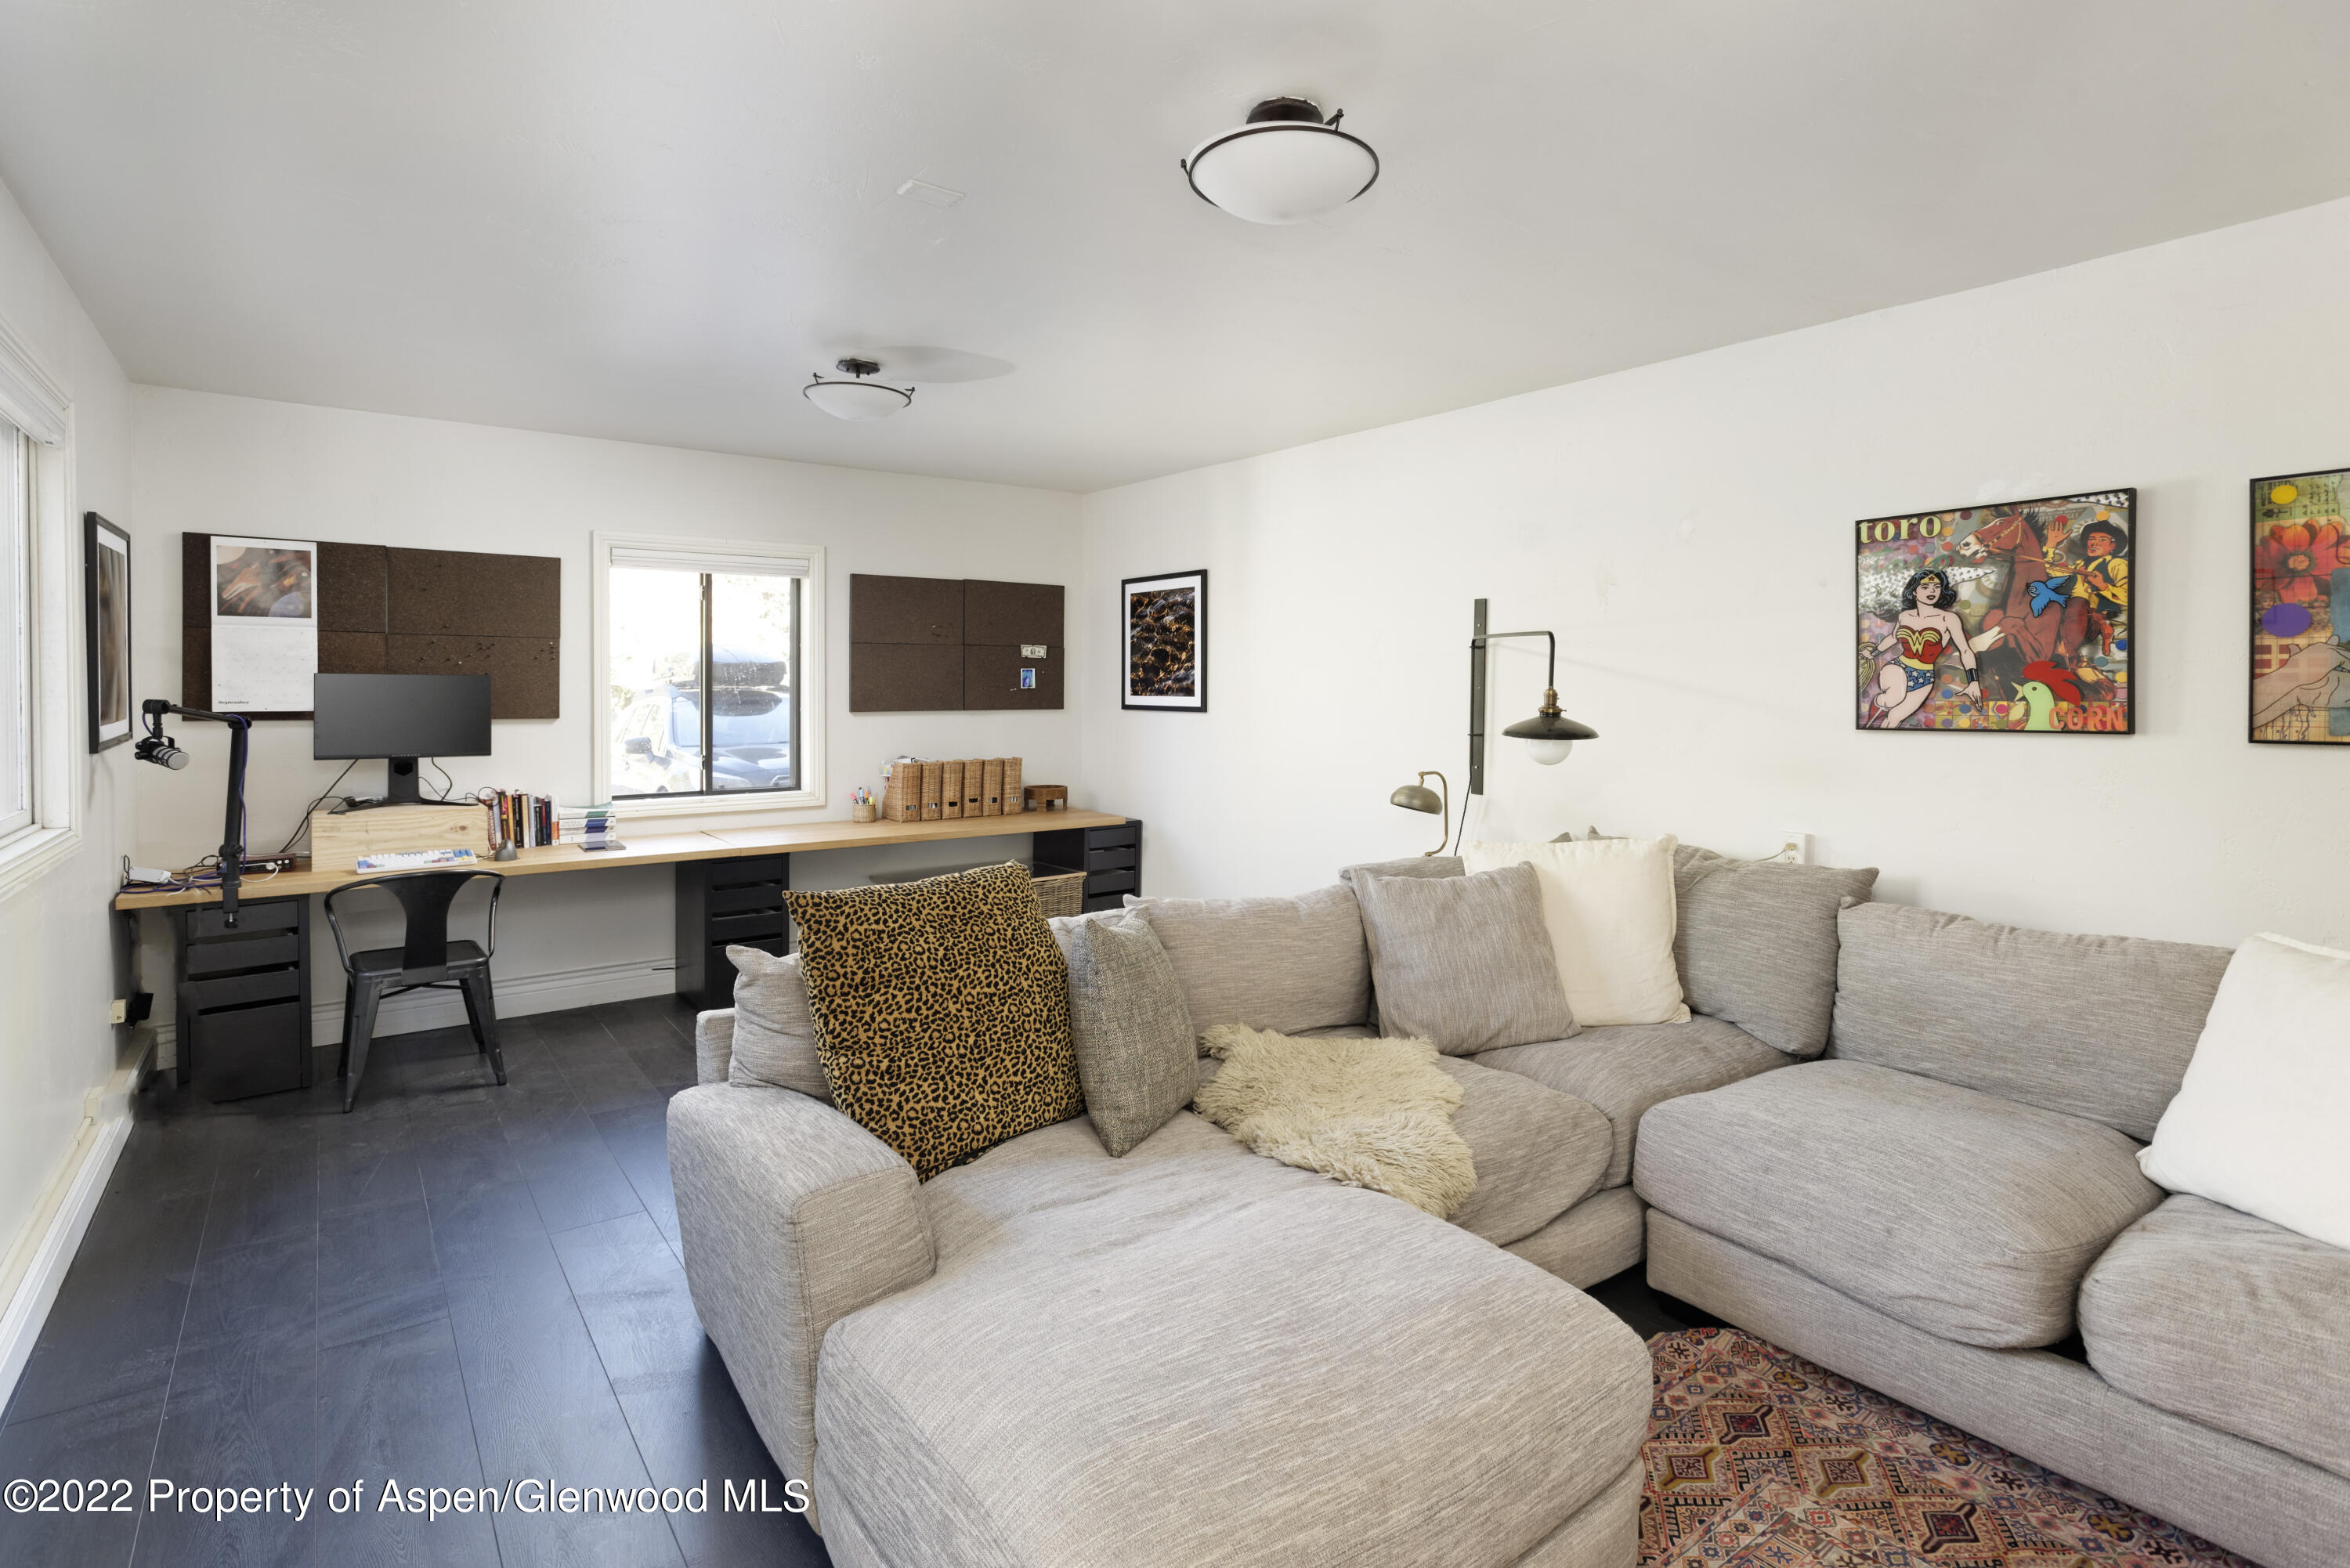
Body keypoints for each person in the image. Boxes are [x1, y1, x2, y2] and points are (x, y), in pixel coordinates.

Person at [1863, 568, 1980, 728]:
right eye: (1925, 587)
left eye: (1937, 587)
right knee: (1892, 699)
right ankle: (1874, 711)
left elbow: (1965, 650)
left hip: (1925, 677)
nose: (1932, 591)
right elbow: (1893, 638)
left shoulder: (1949, 619)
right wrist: (1873, 653)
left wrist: (1973, 681)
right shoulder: (1904, 616)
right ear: (1914, 592)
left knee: (1894, 718)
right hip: (1899, 667)